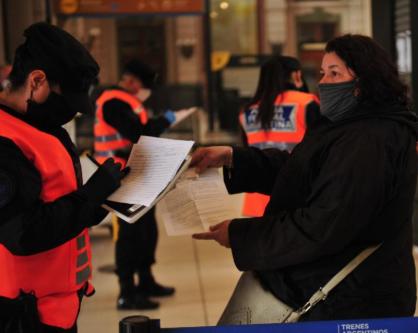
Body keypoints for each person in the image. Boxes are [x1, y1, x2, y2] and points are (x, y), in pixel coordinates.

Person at [191, 34, 417, 323]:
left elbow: (323, 224)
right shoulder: (346, 124)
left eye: (335, 73)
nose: (323, 82)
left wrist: (240, 235)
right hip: (332, 290)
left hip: (353, 301)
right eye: (323, 73)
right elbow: (301, 172)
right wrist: (233, 157)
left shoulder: (371, 139)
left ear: (363, 83)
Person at [0, 23, 128, 333]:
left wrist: (101, 200)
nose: (71, 112)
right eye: (66, 99)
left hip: (56, 306)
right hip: (21, 316)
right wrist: (90, 196)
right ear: (37, 80)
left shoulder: (40, 128)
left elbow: (57, 200)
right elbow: (22, 232)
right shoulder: (4, 140)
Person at [94, 60, 179, 310]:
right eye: (143, 86)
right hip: (119, 176)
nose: (145, 92)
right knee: (130, 234)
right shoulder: (112, 102)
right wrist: (164, 122)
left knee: (146, 229)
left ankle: (145, 280)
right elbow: (138, 133)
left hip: (138, 173)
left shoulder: (128, 101)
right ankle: (126, 291)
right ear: (130, 81)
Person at [240, 55, 320, 217]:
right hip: (298, 198)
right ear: (296, 75)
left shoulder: (247, 112)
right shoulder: (306, 103)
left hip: (258, 202)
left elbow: (248, 154)